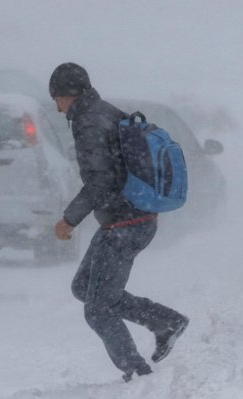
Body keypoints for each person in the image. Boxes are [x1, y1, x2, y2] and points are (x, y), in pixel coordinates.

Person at [48, 62, 189, 382]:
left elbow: (100, 181)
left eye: (56, 98)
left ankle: (136, 373)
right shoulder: (103, 111)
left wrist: (69, 220)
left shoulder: (88, 122)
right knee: (84, 287)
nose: (56, 107)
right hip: (130, 219)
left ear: (68, 95)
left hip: (126, 224)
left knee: (97, 309)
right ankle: (165, 322)